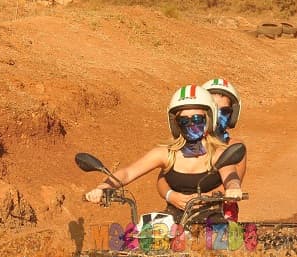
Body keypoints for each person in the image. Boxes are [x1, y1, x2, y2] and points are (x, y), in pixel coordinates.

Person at [84, 85, 243, 220]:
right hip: (174, 220)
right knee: (136, 242)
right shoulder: (167, 153)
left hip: (212, 220)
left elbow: (231, 177)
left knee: (217, 248)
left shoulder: (219, 152)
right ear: (176, 124)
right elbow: (127, 172)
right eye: (183, 121)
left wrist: (233, 188)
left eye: (196, 119)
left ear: (209, 119)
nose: (190, 125)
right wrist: (102, 187)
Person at [156, 78, 245, 215]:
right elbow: (163, 179)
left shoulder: (233, 146)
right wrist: (170, 195)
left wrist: (202, 199)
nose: (219, 115)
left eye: (225, 111)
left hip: (219, 208)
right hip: (181, 208)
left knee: (225, 230)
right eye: (215, 109)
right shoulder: (182, 145)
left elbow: (232, 182)